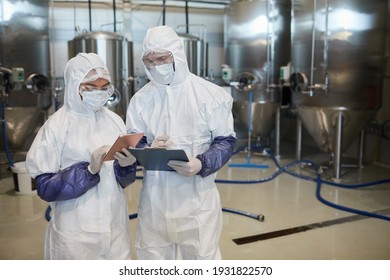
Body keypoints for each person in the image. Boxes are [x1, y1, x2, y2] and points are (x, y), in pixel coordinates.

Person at [126, 26, 237, 260]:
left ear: (177, 54)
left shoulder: (210, 95)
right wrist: (147, 148)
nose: (156, 65)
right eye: (150, 60)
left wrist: (201, 163)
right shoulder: (141, 100)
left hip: (197, 205)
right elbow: (134, 141)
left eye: (162, 58)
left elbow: (226, 141)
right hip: (154, 204)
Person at [26, 53, 137, 260]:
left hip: (115, 227)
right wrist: (88, 171)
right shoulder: (57, 126)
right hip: (76, 233)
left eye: (104, 86)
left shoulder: (114, 121)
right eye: (91, 87)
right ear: (74, 85)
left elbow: (122, 182)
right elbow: (45, 187)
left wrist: (127, 166)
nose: (99, 92)